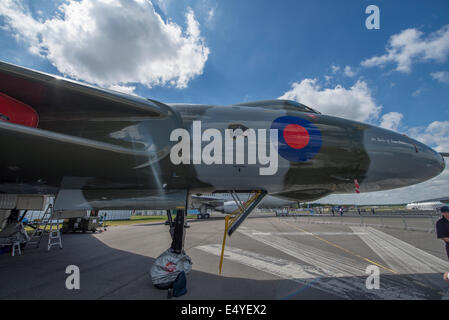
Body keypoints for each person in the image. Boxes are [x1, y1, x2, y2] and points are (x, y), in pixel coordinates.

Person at [436, 206, 449, 283]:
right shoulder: (440, 223)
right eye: (445, 212)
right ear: (442, 213)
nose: (447, 213)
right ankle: (446, 276)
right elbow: (442, 236)